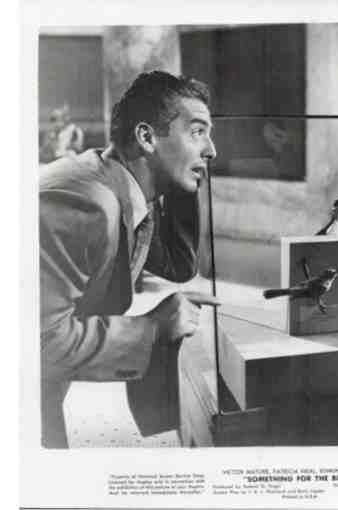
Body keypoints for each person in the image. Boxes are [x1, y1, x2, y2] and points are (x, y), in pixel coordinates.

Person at [40, 70, 219, 448]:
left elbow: (178, 265)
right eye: (197, 132)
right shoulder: (88, 204)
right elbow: (38, 342)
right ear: (147, 138)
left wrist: (181, 172)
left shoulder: (125, 187)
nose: (212, 150)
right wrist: (153, 327)